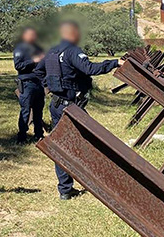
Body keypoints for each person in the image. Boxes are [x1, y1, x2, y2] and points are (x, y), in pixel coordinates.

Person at [34, 21, 124, 200]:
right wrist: (115, 62)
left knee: (61, 145)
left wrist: (49, 86)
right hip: (72, 105)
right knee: (92, 140)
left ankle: (65, 189)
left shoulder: (52, 51)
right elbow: (90, 68)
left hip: (57, 104)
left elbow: (38, 71)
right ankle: (103, 181)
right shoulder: (72, 51)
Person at [13, 27, 45, 143]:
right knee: (25, 110)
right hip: (27, 84)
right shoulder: (20, 49)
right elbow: (18, 66)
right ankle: (21, 136)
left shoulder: (38, 48)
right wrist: (33, 61)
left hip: (39, 84)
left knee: (38, 110)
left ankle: (39, 134)